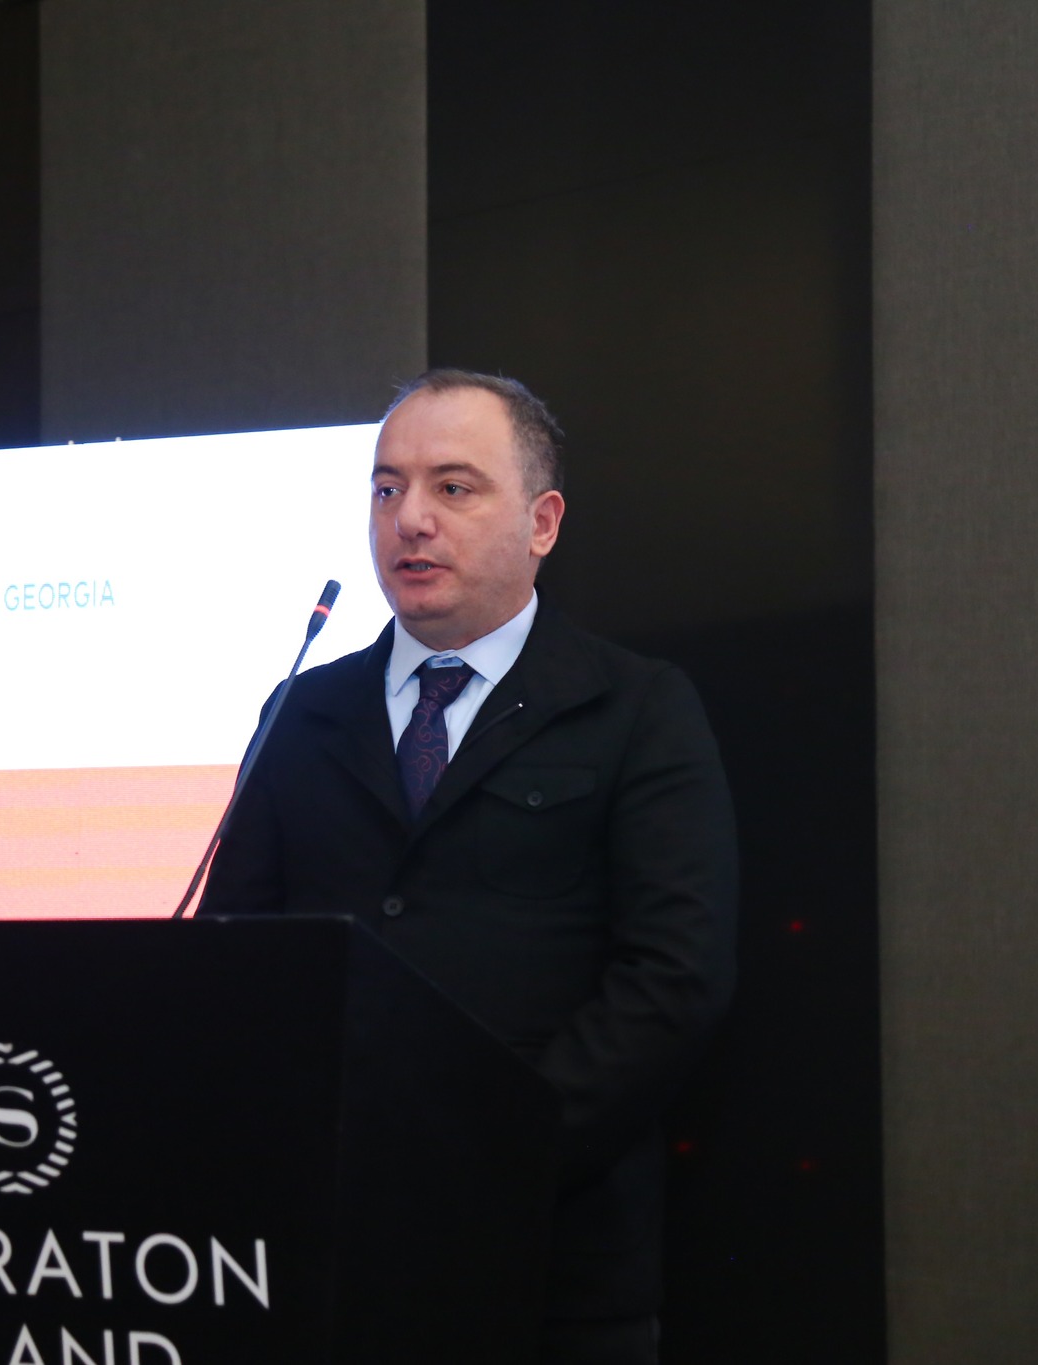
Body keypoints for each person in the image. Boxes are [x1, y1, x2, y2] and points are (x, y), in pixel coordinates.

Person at [198, 369, 738, 1365]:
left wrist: (493, 1145)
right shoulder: (303, 711)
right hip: (322, 1252)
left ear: (542, 522)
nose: (409, 519)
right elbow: (233, 959)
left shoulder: (633, 707)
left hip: (548, 1258)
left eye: (453, 487)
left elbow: (673, 976)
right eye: (386, 488)